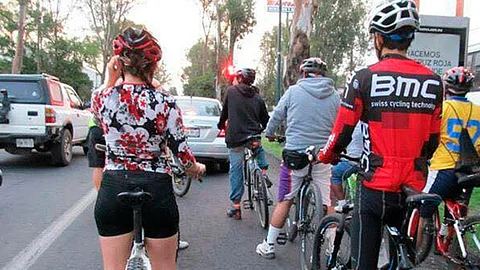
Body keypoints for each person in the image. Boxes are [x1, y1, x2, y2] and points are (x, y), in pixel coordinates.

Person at [317, 1, 444, 269]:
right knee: (402, 255)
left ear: (379, 37)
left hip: (376, 185)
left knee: (364, 261)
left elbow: (342, 132)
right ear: (409, 39)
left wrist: (327, 155)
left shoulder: (365, 78)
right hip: (412, 184)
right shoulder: (433, 81)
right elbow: (432, 140)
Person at [91, 27, 205, 270]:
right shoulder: (166, 102)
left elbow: (99, 110)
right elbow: (182, 154)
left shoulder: (103, 98)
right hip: (156, 188)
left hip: (114, 186)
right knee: (165, 265)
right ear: (153, 65)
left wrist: (111, 78)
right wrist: (195, 168)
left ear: (120, 63)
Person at [256, 57, 340, 259]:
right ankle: (331, 250)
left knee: (285, 200)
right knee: (328, 203)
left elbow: (276, 115)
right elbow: (341, 122)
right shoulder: (335, 95)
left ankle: (269, 245)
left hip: (295, 156)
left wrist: (268, 132)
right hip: (322, 156)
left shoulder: (294, 91)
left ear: (304, 74)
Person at [419, 67, 478, 250]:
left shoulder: (442, 108)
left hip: (445, 167)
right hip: (472, 169)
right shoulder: (477, 110)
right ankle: (450, 238)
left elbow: (427, 135)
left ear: (446, 88)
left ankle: (414, 248)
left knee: (422, 206)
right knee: (457, 207)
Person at [217, 68, 270, 220]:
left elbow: (225, 113)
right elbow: (265, 119)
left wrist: (220, 125)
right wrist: (263, 129)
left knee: (236, 170)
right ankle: (263, 173)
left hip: (235, 138)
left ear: (239, 79)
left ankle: (236, 207)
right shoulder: (258, 97)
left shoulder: (231, 92)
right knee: (257, 149)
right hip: (253, 135)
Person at [330, 122, 362, 210]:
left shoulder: (348, 125)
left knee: (334, 175)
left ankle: (342, 203)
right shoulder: (368, 123)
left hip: (352, 161)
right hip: (366, 160)